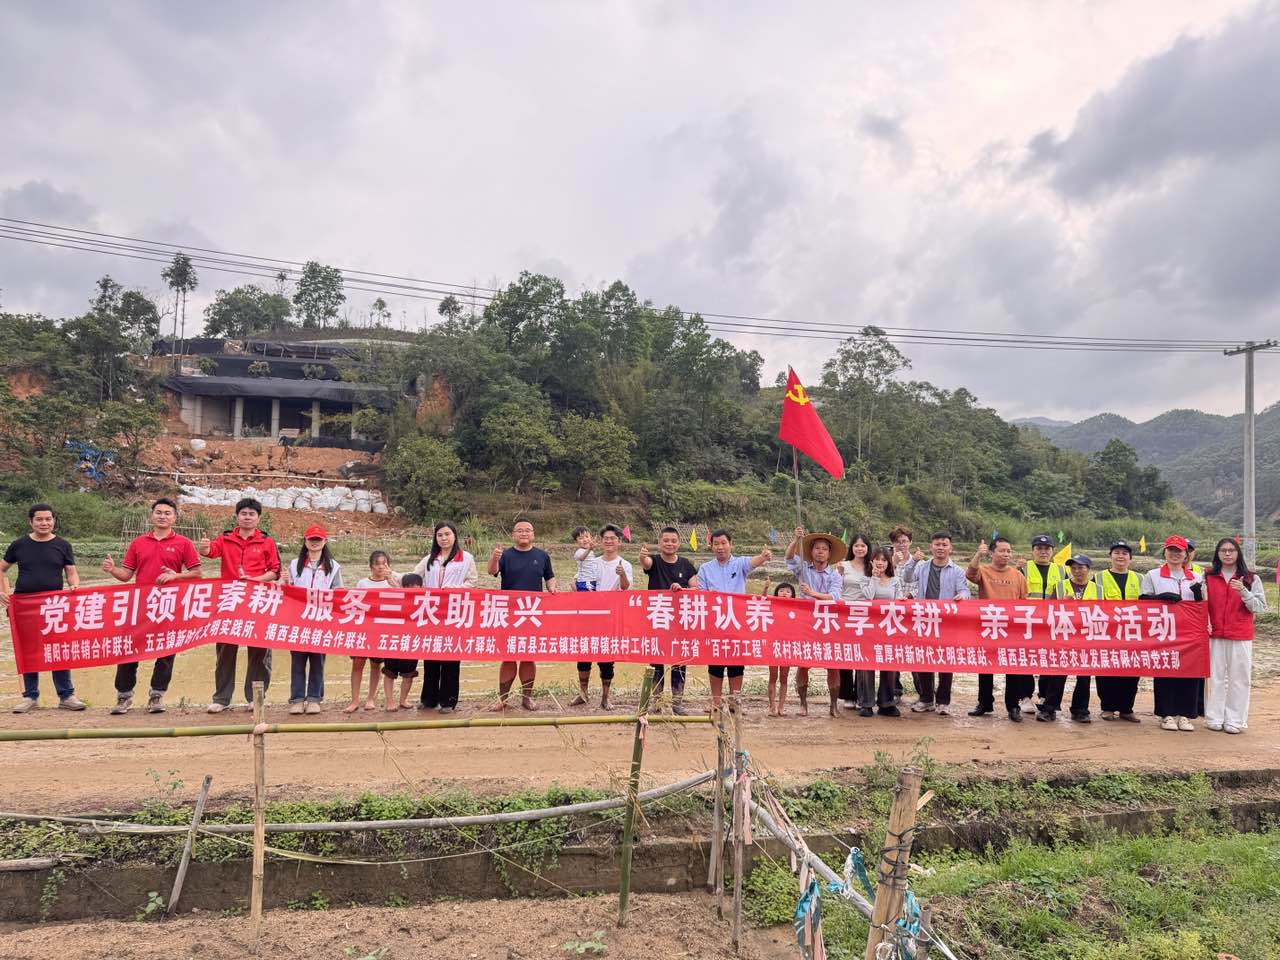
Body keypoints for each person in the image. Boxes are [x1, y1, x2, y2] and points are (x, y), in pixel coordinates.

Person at [100, 497, 202, 715]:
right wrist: (112, 569)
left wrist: (176, 576)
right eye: (159, 512)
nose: (162, 516)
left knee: (166, 651)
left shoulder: (183, 543)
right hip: (140, 606)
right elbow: (126, 575)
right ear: (151, 515)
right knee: (130, 648)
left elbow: (196, 573)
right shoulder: (138, 543)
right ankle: (123, 696)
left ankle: (157, 695)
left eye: (167, 513)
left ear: (174, 518)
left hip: (169, 606)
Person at [1, 503, 85, 713]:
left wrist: (74, 585)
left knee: (58, 649)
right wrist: (3, 591)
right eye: (39, 519)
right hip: (25, 606)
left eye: (48, 519)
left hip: (54, 607)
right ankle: (30, 696)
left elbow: (71, 572)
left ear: (53, 521)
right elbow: (2, 569)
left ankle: (66, 695)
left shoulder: (63, 545)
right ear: (31, 522)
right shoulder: (19, 545)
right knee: (28, 649)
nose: (44, 523)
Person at [200, 497, 281, 714]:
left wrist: (254, 580)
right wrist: (204, 548)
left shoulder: (266, 541)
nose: (247, 517)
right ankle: (222, 698)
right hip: (230, 601)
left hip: (257, 601)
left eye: (251, 514)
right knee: (225, 650)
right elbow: (210, 552)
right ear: (237, 516)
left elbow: (275, 571)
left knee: (259, 651)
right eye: (243, 513)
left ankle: (256, 698)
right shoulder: (225, 539)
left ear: (258, 518)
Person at [699, 529, 771, 713]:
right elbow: (701, 594)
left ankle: (735, 701)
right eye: (716, 544)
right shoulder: (705, 569)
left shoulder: (739, 564)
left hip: (737, 622)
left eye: (723, 543)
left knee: (737, 662)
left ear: (731, 545)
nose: (720, 547)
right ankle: (716, 702)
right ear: (711, 546)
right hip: (715, 622)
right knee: (715, 662)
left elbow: (753, 562)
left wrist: (763, 557)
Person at [488, 520, 556, 710]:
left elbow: (549, 577)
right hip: (508, 613)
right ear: (513, 534)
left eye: (527, 530)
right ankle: (503, 699)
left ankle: (527, 698)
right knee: (508, 656)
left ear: (533, 534)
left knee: (528, 656)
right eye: (519, 530)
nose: (524, 533)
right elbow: (492, 571)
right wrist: (494, 558)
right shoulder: (505, 555)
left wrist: (552, 588)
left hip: (532, 613)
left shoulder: (542, 556)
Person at [1141, 535, 1205, 732]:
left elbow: (1203, 605)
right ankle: (1166, 714)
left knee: (1189, 672)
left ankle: (1185, 714)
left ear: (1186, 554)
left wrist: (1197, 595)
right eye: (1171, 550)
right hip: (1164, 630)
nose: (1175, 554)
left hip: (1190, 632)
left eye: (1179, 551)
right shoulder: (1153, 575)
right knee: (1166, 671)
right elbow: (1143, 600)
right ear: (1165, 552)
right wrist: (1160, 598)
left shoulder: (1196, 577)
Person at [1204, 537, 1266, 734]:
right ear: (1217, 554)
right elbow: (1200, 602)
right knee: (1215, 677)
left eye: (1231, 550)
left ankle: (1235, 720)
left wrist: (1244, 592)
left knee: (1240, 678)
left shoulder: (1251, 578)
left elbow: (1260, 607)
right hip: (1214, 634)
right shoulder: (1208, 576)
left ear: (1238, 553)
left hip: (1240, 634)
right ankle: (1214, 717)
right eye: (1223, 550)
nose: (1227, 554)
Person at [414, 521, 477, 713]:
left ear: (454, 536)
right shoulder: (429, 559)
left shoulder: (466, 558)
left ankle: (448, 701)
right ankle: (429, 699)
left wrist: (455, 589)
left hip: (454, 613)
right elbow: (413, 578)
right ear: (435, 538)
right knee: (430, 656)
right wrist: (390, 575)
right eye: (440, 535)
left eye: (447, 534)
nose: (444, 538)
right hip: (432, 613)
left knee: (450, 656)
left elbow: (472, 582)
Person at [965, 537, 1031, 721]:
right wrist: (978, 555)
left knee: (1013, 668)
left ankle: (1013, 706)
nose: (1006, 554)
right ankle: (984, 703)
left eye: (1008, 551)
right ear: (991, 553)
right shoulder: (984, 571)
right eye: (1002, 551)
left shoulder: (1017, 575)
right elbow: (970, 574)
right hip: (988, 626)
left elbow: (1024, 601)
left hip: (1012, 629)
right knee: (985, 666)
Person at [787, 528, 845, 717]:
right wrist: (796, 540)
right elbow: (789, 558)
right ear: (811, 551)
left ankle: (833, 705)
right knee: (803, 663)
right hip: (806, 622)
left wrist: (812, 593)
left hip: (828, 623)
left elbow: (834, 597)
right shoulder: (803, 569)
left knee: (833, 664)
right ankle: (803, 704)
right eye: (817, 548)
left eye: (824, 549)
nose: (820, 552)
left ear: (829, 553)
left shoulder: (835, 575)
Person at [640, 527, 699, 716]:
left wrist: (682, 588)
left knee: (679, 662)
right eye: (666, 540)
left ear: (678, 543)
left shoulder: (686, 564)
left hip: (680, 621)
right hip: (658, 619)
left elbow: (696, 588)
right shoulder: (655, 561)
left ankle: (677, 703)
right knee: (656, 661)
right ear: (659, 543)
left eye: (673, 540)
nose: (669, 544)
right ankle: (656, 702)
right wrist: (642, 557)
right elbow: (646, 564)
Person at [910, 532, 970, 715]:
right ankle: (926, 699)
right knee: (924, 659)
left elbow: (965, 590)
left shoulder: (957, 571)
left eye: (944, 545)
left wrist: (962, 596)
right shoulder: (922, 567)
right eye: (937, 544)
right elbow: (907, 579)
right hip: (924, 619)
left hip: (947, 622)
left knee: (946, 661)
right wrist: (913, 561)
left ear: (950, 548)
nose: (940, 548)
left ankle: (943, 701)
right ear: (931, 547)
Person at [284, 524, 341, 714]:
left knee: (317, 661)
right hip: (298, 620)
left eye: (318, 539)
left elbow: (339, 592)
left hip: (321, 621)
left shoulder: (333, 567)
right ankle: (297, 699)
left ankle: (314, 698)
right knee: (297, 661)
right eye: (311, 539)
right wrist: (285, 582)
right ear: (305, 541)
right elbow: (287, 591)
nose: (315, 543)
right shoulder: (294, 565)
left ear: (325, 541)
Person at [572, 525, 631, 710]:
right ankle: (583, 694)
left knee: (606, 657)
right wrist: (575, 589)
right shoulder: (592, 561)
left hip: (609, 617)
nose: (609, 541)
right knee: (584, 654)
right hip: (588, 616)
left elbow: (625, 588)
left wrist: (622, 575)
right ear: (600, 540)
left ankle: (605, 698)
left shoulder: (624, 564)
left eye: (613, 538)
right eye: (606, 538)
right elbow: (576, 581)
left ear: (619, 541)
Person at [1043, 554, 1098, 723]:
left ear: (1088, 569)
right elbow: (1048, 609)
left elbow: (1105, 612)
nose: (1077, 571)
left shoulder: (1098, 589)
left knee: (1084, 676)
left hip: (1087, 637)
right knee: (1058, 674)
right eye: (1073, 568)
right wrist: (1061, 603)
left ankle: (1080, 710)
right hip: (1064, 636)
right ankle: (1049, 708)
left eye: (1081, 568)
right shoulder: (1061, 586)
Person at [1094, 541, 1143, 722]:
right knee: (1107, 670)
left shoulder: (1140, 578)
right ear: (1110, 556)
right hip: (1107, 631)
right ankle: (1107, 707)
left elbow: (1148, 603)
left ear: (1130, 558)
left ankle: (1126, 708)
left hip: (1133, 631)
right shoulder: (1098, 577)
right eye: (1116, 552)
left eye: (1124, 553)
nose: (1120, 556)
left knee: (1131, 670)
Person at [347, 550, 399, 711]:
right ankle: (354, 700)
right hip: (364, 629)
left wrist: (393, 582)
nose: (381, 567)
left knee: (376, 665)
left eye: (384, 563)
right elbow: (355, 606)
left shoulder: (392, 584)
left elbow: (401, 602)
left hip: (381, 630)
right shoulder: (362, 583)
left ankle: (371, 698)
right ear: (371, 566)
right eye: (377, 564)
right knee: (357, 664)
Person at [855, 546, 904, 717]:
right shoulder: (865, 579)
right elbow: (869, 597)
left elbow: (899, 601)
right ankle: (866, 703)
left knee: (889, 664)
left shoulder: (895, 580)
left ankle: (887, 703)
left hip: (889, 628)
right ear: (871, 561)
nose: (880, 563)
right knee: (866, 665)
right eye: (877, 559)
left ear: (889, 562)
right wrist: (874, 578)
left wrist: (903, 599)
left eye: (884, 560)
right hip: (868, 627)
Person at [1024, 534, 1067, 715]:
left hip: (1052, 622)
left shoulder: (1062, 571)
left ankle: (1044, 695)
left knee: (1048, 657)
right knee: (1026, 658)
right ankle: (1025, 696)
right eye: (1039, 548)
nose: (1043, 552)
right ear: (1033, 551)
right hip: (1028, 621)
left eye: (1047, 549)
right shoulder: (1024, 568)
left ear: (1052, 551)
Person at [835, 535, 872, 707]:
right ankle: (848, 695)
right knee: (847, 653)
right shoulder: (843, 565)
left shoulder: (872, 566)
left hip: (867, 616)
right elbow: (836, 587)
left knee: (863, 655)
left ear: (867, 548)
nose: (860, 549)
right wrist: (839, 573)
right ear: (852, 548)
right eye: (856, 545)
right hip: (846, 615)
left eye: (863, 546)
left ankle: (861, 695)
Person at [382, 573, 421, 711]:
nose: (412, 591)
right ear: (403, 587)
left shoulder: (423, 603)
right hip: (393, 640)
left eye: (416, 588)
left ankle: (403, 700)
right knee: (389, 672)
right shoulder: (394, 599)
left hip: (411, 642)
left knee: (409, 674)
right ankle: (390, 701)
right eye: (409, 588)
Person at [766, 583, 797, 717]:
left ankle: (781, 707)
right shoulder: (771, 605)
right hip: (773, 645)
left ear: (793, 595)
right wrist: (766, 588)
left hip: (787, 646)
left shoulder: (796, 608)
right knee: (773, 676)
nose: (784, 593)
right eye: (781, 590)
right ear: (776, 593)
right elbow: (761, 599)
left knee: (784, 678)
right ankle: (772, 706)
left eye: (788, 591)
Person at [571, 526, 601, 591]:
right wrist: (590, 549)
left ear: (591, 538)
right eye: (581, 538)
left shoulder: (591, 551)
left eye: (587, 537)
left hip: (593, 580)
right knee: (587, 596)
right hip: (585, 581)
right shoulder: (579, 551)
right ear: (576, 542)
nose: (585, 540)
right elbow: (582, 558)